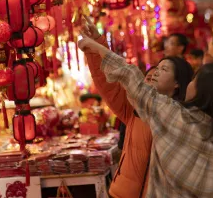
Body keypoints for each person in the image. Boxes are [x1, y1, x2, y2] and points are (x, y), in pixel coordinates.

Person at [79, 32, 213, 198]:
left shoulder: (175, 116)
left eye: (195, 81)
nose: (154, 74)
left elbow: (130, 76)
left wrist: (96, 47)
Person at [81, 16, 193, 198]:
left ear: (177, 84)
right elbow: (107, 82)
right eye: (156, 69)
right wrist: (95, 46)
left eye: (164, 70)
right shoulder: (134, 110)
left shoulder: (180, 117)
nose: (156, 73)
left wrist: (97, 46)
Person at [117, 67, 156, 150]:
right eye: (148, 79)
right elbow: (122, 143)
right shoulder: (132, 107)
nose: (151, 84)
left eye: (155, 80)